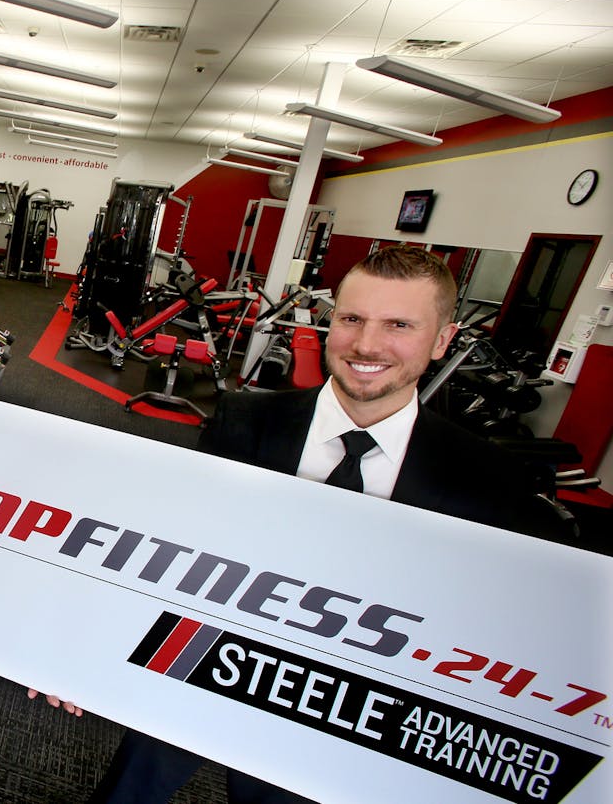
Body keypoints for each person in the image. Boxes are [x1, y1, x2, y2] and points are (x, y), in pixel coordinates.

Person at [77, 245, 534, 804]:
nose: (367, 344)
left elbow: (488, 626)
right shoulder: (242, 421)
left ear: (442, 340)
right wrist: (83, 651)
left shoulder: (488, 479)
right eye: (351, 319)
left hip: (338, 706)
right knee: (127, 794)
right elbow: (172, 547)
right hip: (203, 658)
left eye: (399, 325)